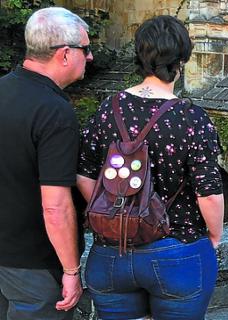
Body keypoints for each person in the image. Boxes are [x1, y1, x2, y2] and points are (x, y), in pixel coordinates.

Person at [76, 15, 224, 320]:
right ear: (181, 60)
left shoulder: (108, 108)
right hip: (175, 249)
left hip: (111, 253)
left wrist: (117, 213)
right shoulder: (192, 118)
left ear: (139, 56)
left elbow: (84, 176)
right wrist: (214, 236)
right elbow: (208, 193)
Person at [0, 7, 92, 320]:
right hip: (34, 265)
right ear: (65, 54)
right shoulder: (54, 111)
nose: (89, 57)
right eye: (85, 49)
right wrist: (71, 270)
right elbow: (55, 206)